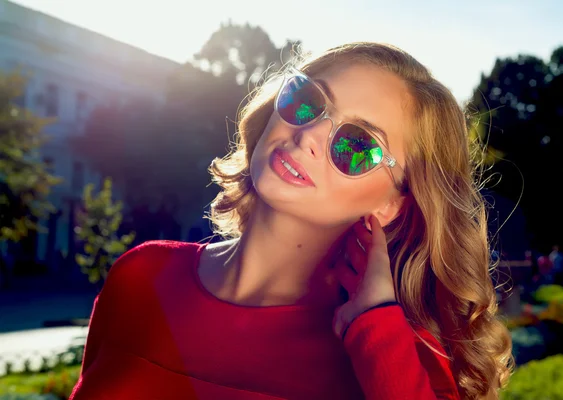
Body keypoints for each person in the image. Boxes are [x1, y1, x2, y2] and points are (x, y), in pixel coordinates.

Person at [69, 42, 513, 400]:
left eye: (358, 145)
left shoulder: (393, 354)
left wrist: (375, 330)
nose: (310, 135)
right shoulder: (140, 276)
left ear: (393, 203)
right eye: (308, 100)